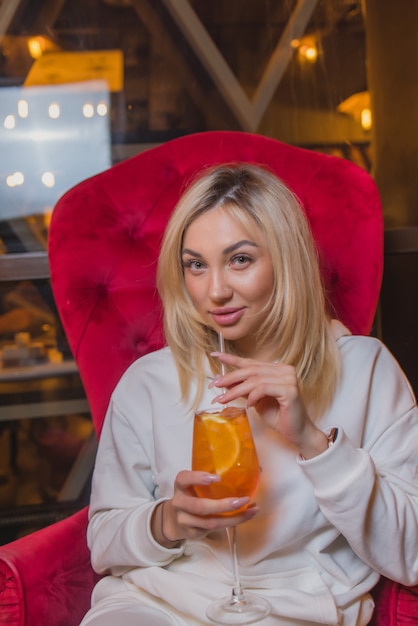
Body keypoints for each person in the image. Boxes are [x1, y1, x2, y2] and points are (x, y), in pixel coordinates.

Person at [79, 164, 418, 626]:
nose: (214, 292)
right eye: (196, 265)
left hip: (293, 612)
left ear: (285, 259)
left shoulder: (365, 369)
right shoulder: (148, 381)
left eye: (240, 259)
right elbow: (104, 542)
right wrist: (169, 521)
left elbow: (411, 555)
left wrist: (314, 443)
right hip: (152, 605)